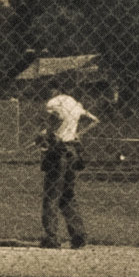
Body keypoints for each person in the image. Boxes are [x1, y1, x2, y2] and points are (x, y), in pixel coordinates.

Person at [38, 84, 99, 249]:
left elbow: (55, 119)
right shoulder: (74, 102)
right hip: (73, 151)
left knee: (51, 195)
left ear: (54, 90)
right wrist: (77, 134)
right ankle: (78, 235)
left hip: (57, 151)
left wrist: (47, 133)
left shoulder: (53, 103)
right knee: (68, 195)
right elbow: (95, 120)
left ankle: (51, 237)